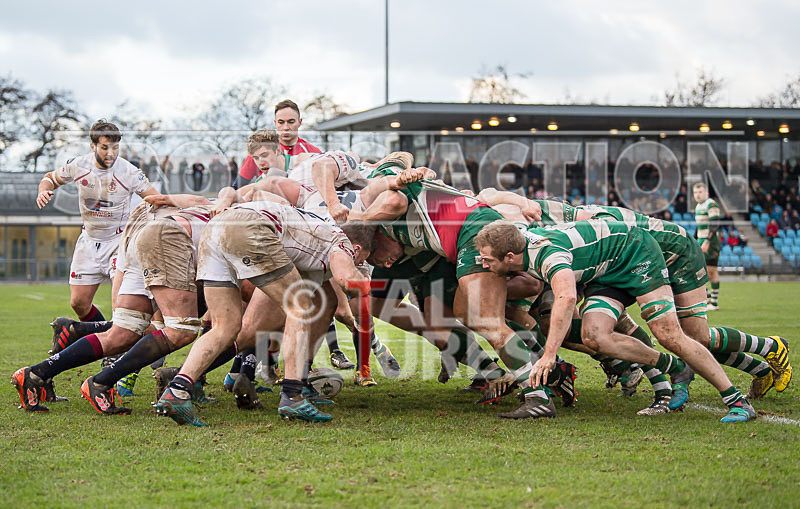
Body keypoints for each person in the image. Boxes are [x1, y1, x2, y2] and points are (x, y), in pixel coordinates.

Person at [475, 220, 758, 423]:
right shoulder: (519, 237)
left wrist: (549, 356)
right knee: (595, 336)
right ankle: (674, 367)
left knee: (670, 335)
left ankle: (736, 400)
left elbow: (567, 299)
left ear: (510, 257)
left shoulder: (549, 257)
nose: (484, 265)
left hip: (636, 254)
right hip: (607, 269)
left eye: (487, 260)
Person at [155, 200, 377, 425]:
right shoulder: (341, 240)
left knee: (225, 327)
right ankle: (292, 395)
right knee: (300, 308)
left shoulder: (310, 241)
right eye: (361, 260)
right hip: (250, 226)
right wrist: (367, 283)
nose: (358, 263)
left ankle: (178, 391)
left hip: (216, 229)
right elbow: (347, 280)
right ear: (357, 250)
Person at [32, 120, 158, 324]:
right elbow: (50, 178)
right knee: (78, 303)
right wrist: (43, 190)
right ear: (93, 146)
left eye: (115, 147)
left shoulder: (129, 172)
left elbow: (155, 199)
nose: (111, 153)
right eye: (105, 147)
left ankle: (120, 352)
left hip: (119, 243)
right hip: (89, 241)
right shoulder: (78, 165)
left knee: (120, 307)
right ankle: (104, 340)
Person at [233, 99, 321, 188]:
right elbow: (237, 186)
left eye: (291, 122)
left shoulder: (313, 152)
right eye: (281, 122)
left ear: (300, 122)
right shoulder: (259, 151)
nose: (286, 127)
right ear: (275, 123)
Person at [693, 182, 722, 310]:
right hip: (701, 240)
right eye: (695, 192)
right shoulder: (698, 206)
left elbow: (715, 224)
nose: (698, 195)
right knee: (694, 269)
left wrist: (707, 241)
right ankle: (708, 296)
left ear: (706, 193)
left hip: (710, 242)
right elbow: (699, 227)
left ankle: (714, 302)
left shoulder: (711, 204)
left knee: (711, 271)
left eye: (700, 192)